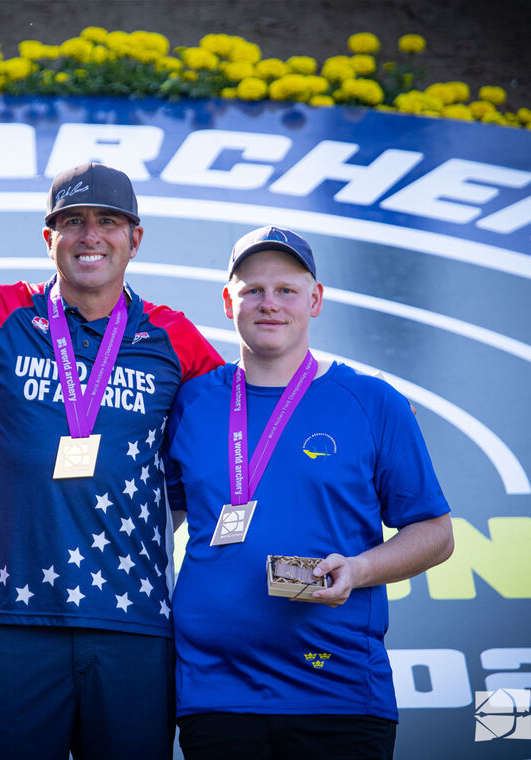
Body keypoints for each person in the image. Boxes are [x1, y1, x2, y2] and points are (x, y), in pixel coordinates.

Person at [0, 162, 224, 759]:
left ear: (134, 239)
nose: (91, 235)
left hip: (133, 622)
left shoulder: (171, 337)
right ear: (48, 237)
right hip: (12, 621)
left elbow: (229, 435)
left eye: (108, 221)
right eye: (73, 222)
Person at [162, 225, 454, 760]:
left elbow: (435, 533)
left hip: (337, 688)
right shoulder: (193, 401)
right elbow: (157, 510)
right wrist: (7, 505)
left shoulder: (373, 401)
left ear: (315, 300)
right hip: (214, 691)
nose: (268, 304)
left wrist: (360, 570)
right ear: (228, 301)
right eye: (252, 290)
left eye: (286, 290)